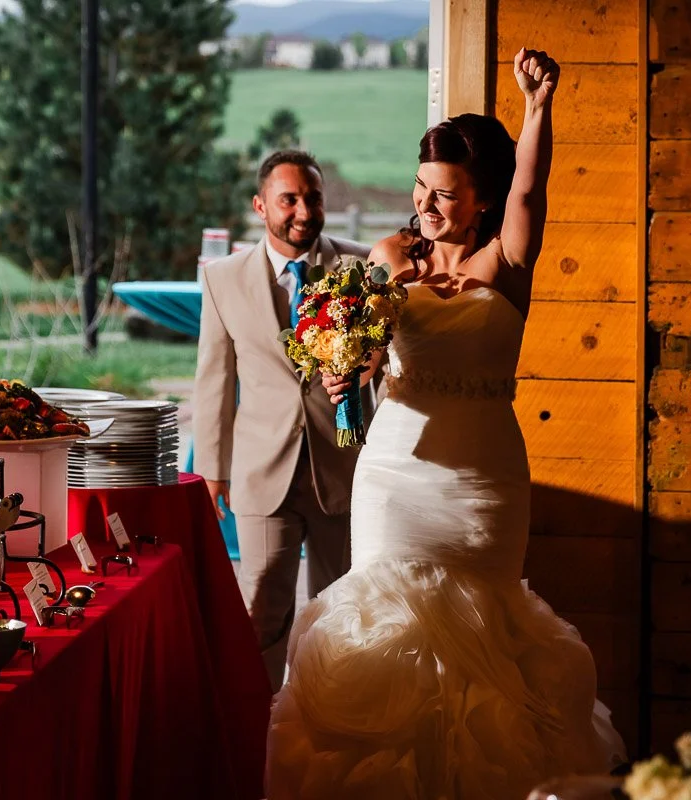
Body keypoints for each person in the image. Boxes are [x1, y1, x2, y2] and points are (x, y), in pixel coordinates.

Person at [266, 49, 627, 798]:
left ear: (485, 201)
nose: (426, 206)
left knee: (486, 638)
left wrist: (537, 106)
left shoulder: (508, 263)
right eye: (422, 188)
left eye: (448, 195)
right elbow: (350, 352)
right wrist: (345, 365)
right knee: (386, 635)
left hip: (483, 481)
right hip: (395, 471)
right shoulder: (392, 254)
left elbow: (533, 186)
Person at [192, 150, 372, 691]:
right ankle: (258, 724)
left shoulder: (358, 269)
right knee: (263, 607)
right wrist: (212, 469)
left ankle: (329, 720)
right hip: (260, 470)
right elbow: (215, 381)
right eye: (288, 199)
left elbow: (383, 368)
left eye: (312, 198)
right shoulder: (223, 278)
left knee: (340, 608)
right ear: (261, 205)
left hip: (342, 470)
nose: (302, 210)